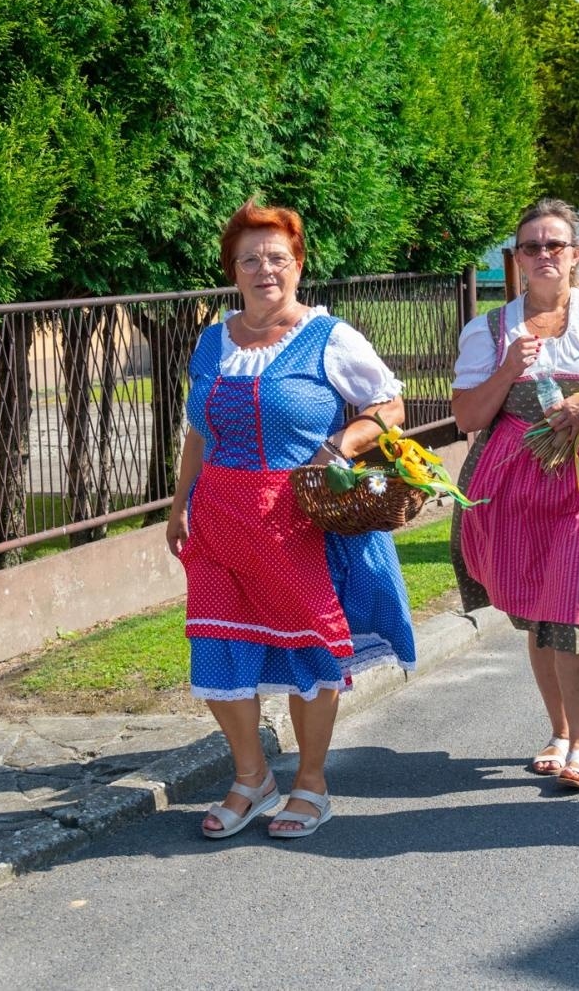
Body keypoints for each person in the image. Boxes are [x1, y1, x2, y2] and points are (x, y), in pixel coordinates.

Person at [167, 200, 414, 841]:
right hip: (217, 518)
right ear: (234, 270)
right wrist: (177, 505)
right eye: (249, 259)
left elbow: (390, 405)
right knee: (218, 647)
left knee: (310, 650)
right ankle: (252, 778)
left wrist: (341, 446)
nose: (263, 269)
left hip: (293, 519)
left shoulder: (330, 338)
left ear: (298, 266)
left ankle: (311, 782)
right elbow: (199, 429)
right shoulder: (212, 339)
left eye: (277, 257)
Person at [450, 198, 579, 791]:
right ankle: (559, 730)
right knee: (540, 612)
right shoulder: (490, 329)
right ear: (515, 260)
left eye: (554, 246)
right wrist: (507, 368)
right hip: (515, 481)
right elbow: (467, 416)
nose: (542, 255)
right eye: (530, 247)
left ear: (575, 256)